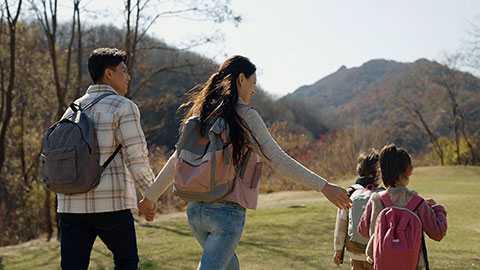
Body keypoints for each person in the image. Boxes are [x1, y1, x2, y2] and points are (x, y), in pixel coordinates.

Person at [138, 55, 352, 270]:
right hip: (226, 214)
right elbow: (278, 160)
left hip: (195, 211)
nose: (254, 90)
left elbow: (177, 158)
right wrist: (324, 186)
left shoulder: (201, 114)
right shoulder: (246, 117)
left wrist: (150, 196)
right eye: (253, 82)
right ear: (241, 79)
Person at [57, 47, 157, 270]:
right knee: (126, 262)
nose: (128, 76)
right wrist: (150, 194)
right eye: (123, 71)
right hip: (110, 203)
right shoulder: (124, 107)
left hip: (70, 204)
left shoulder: (72, 109)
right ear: (108, 73)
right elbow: (136, 157)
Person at [358, 144, 448, 269]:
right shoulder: (418, 203)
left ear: (382, 171)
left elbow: (363, 231)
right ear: (409, 171)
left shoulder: (376, 200)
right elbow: (438, 233)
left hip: (381, 264)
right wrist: (438, 209)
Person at [333, 149, 381, 270]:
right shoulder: (384, 194)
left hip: (355, 252)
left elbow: (341, 226)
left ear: (359, 170)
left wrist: (338, 250)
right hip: (377, 253)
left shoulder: (350, 192)